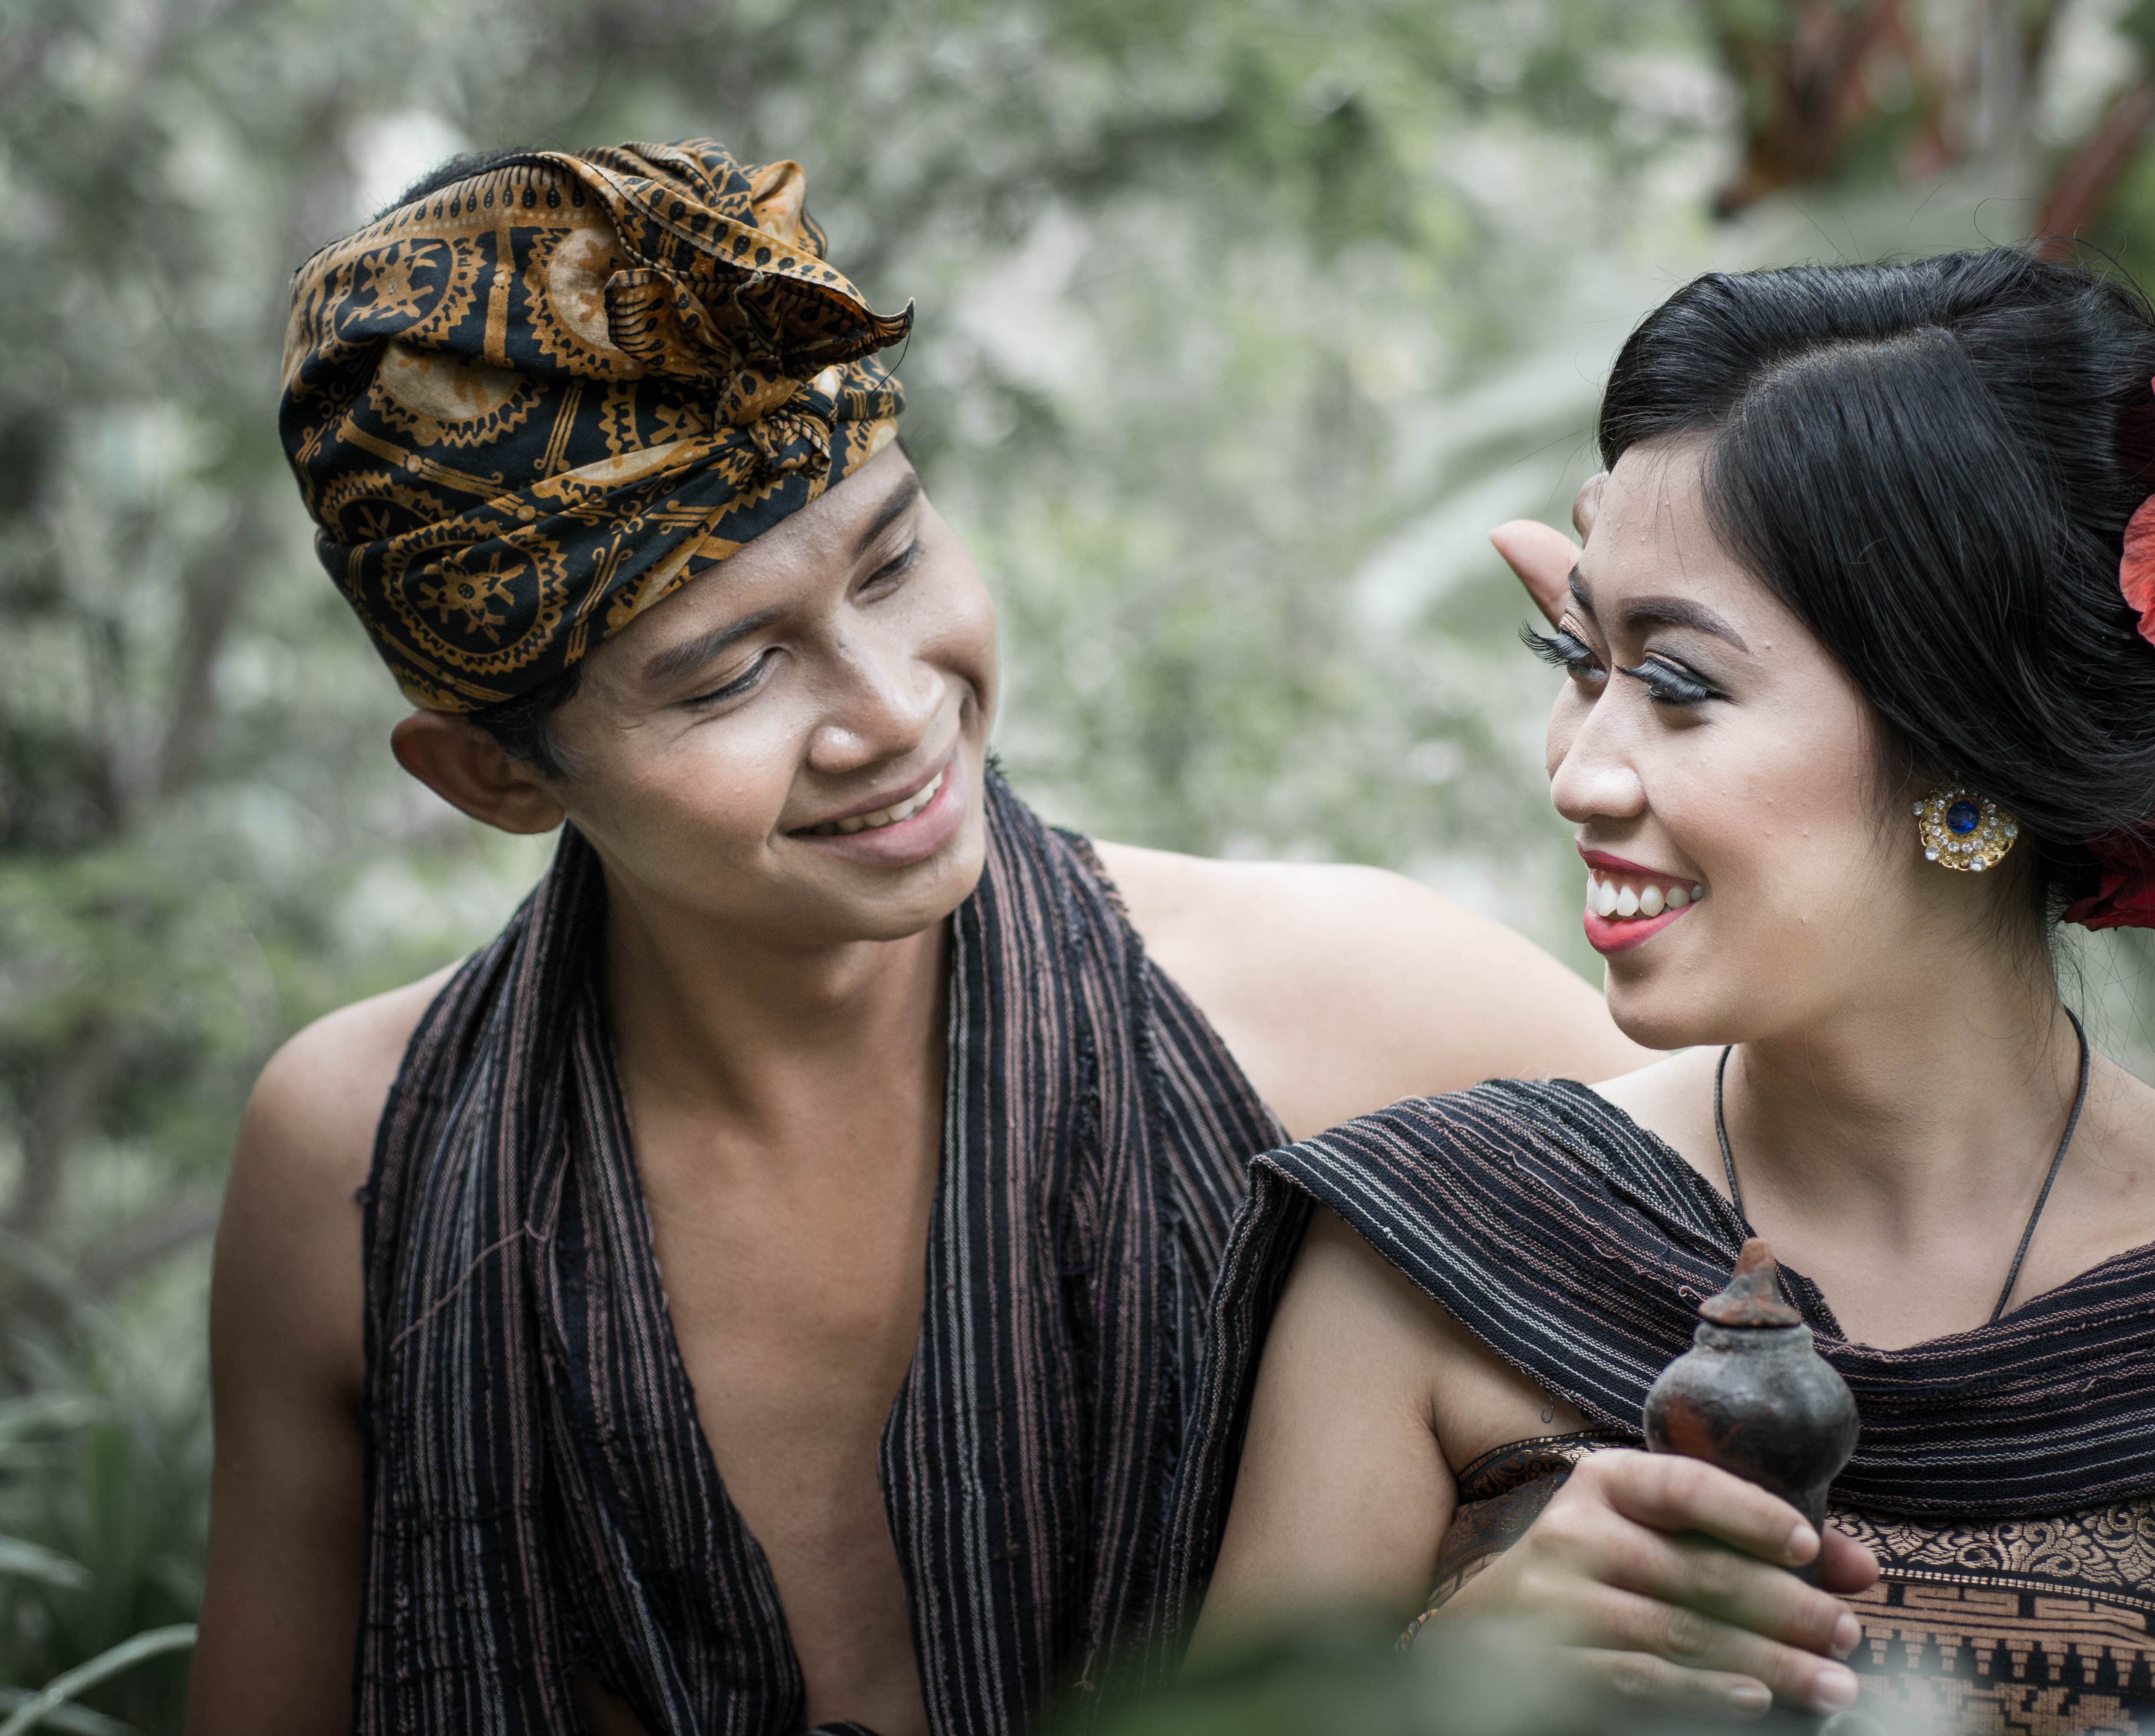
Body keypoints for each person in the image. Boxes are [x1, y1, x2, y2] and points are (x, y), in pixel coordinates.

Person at [187, 140, 1672, 1736]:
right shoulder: (360, 1164)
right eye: (728, 675)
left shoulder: (1365, 1020)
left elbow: (1904, 1281)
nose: (891, 712)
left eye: (893, 563)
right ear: (494, 774)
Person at [1173, 252, 2155, 1733]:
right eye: (1579, 658)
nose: (1578, 766)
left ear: (1965, 756)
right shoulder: (1442, 1243)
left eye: (1677, 685)